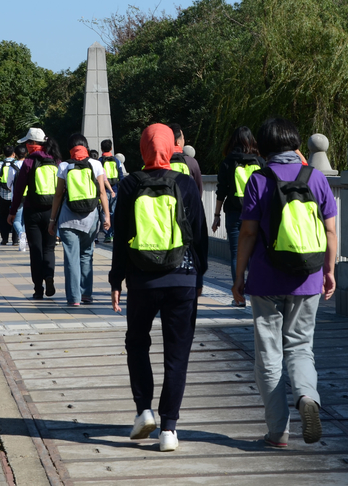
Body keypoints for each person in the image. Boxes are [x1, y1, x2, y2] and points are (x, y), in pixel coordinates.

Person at [231, 117, 337, 448]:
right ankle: (307, 396)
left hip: (266, 278)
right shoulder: (316, 177)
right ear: (295, 144)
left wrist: (239, 276)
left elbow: (248, 233)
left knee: (269, 354)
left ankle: (278, 432)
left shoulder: (259, 180)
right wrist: (329, 271)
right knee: (301, 347)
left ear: (262, 148)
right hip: (308, 275)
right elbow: (330, 230)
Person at [110, 124, 208, 453]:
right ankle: (169, 429)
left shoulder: (130, 184)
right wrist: (199, 276)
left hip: (142, 279)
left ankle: (144, 411)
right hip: (182, 278)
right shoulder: (185, 182)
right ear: (170, 147)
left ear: (143, 148)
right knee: (176, 354)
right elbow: (199, 235)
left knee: (137, 343)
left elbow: (121, 237)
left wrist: (116, 280)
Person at [49, 134, 111, 306]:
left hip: (68, 219)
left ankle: (74, 298)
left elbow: (58, 195)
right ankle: (86, 294)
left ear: (70, 149)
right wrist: (107, 216)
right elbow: (102, 193)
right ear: (86, 146)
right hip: (90, 218)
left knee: (71, 258)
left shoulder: (64, 166)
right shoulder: (96, 164)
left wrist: (52, 220)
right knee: (86, 255)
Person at [212, 126, 265, 305]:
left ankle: (239, 298)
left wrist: (217, 215)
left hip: (235, 214)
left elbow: (221, 191)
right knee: (256, 254)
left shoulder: (228, 162)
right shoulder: (260, 162)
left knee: (236, 254)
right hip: (257, 215)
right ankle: (257, 295)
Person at [8, 128, 59, 299]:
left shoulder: (29, 162)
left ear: (32, 144)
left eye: (27, 143)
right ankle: (49, 276)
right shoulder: (55, 160)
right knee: (49, 248)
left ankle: (38, 289)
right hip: (52, 212)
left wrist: (13, 212)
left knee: (35, 250)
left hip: (32, 212)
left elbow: (19, 190)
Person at [99, 139, 125, 243]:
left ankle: (107, 234)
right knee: (113, 212)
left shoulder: (99, 161)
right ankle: (113, 233)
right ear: (111, 148)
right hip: (115, 190)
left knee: (104, 213)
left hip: (104, 191)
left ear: (101, 149)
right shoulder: (117, 161)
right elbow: (121, 176)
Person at [166, 123, 203, 193]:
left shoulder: (156, 161)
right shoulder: (191, 162)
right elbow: (198, 191)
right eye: (183, 138)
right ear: (178, 142)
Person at [0, 146, 17, 245]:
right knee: (16, 216)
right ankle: (15, 240)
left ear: (4, 154)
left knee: (3, 217)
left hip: (3, 195)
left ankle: (4, 238)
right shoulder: (17, 164)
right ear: (14, 154)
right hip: (15, 195)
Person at [7, 144, 27, 247]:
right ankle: (23, 240)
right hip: (29, 197)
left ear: (15, 154)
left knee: (16, 220)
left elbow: (8, 184)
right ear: (26, 154)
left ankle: (20, 233)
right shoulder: (30, 164)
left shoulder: (12, 167)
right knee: (25, 220)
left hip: (17, 197)